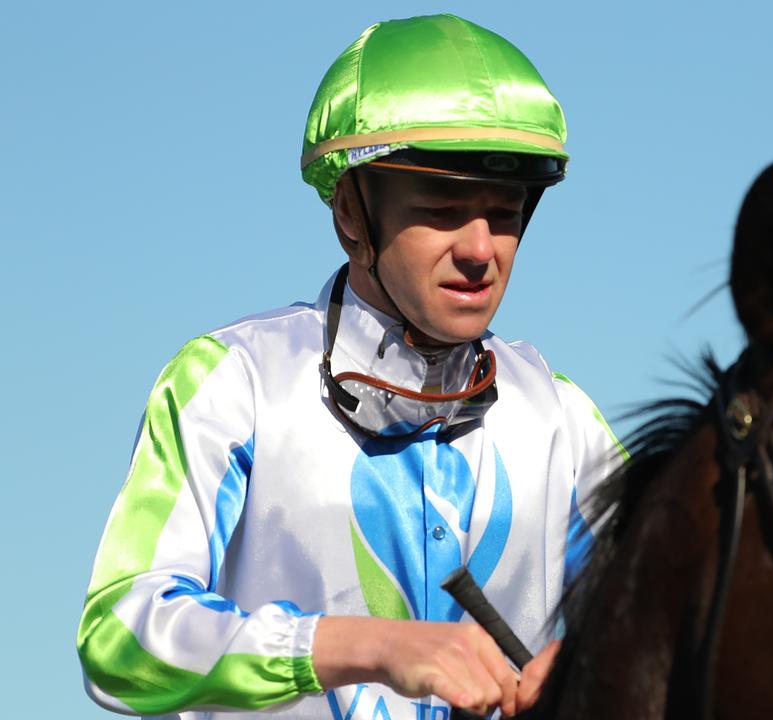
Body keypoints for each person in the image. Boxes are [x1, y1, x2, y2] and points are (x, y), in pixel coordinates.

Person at [76, 14, 624, 720]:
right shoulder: (230, 380)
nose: (481, 249)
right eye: (443, 210)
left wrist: (587, 658)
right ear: (351, 217)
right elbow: (120, 636)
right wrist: (368, 647)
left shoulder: (563, 418)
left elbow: (679, 597)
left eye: (505, 213)